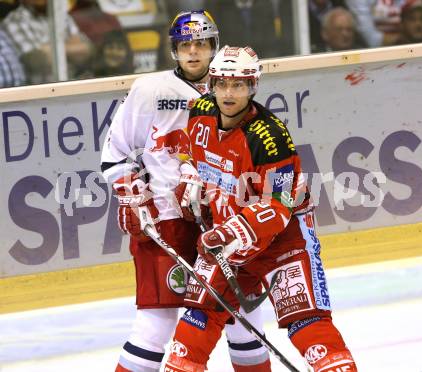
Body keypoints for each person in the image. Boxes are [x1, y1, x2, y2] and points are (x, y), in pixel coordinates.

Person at [163, 45, 358, 372]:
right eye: (222, 83)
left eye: (238, 85)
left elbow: (277, 206)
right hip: (232, 245)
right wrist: (190, 179)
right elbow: (192, 154)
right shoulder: (199, 112)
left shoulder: (270, 137)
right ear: (211, 83)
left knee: (307, 326)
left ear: (252, 86)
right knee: (194, 326)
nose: (228, 92)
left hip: (285, 239)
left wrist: (227, 231)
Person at [101, 10, 271, 372]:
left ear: (214, 46)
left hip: (223, 222)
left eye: (201, 44)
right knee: (157, 323)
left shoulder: (230, 86)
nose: (193, 52)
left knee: (241, 319)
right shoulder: (150, 90)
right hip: (167, 219)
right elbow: (114, 155)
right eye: (185, 44)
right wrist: (132, 194)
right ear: (174, 50)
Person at [2, 0, 91, 83]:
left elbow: (87, 50)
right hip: (44, 92)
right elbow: (41, 60)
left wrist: (51, 48)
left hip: (76, 84)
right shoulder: (16, 20)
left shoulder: (61, 16)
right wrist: (70, 48)